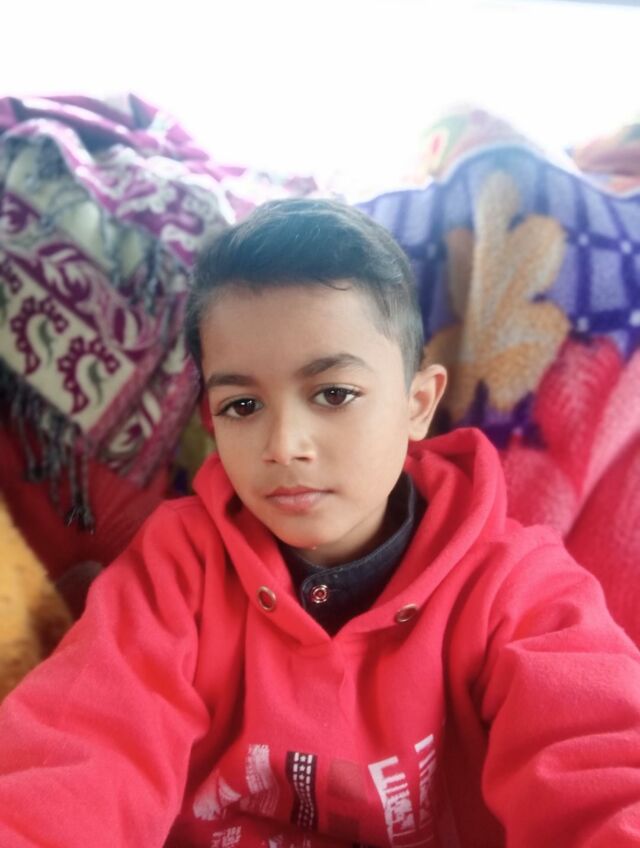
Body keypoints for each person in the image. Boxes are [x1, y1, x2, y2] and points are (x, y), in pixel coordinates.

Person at [0, 199, 639, 848]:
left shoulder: (517, 590)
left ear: (418, 404)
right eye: (243, 405)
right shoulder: (177, 568)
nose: (284, 445)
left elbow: (602, 763)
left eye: (334, 394)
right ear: (211, 421)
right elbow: (77, 753)